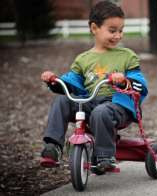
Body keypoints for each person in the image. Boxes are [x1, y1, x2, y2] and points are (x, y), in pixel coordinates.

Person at [40, 0, 148, 173]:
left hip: (118, 105)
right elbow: (71, 83)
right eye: (112, 31)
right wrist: (54, 81)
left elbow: (139, 81)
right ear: (94, 28)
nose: (118, 35)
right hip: (90, 102)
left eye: (121, 31)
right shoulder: (83, 59)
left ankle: (105, 156)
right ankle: (53, 146)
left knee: (102, 111)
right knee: (62, 100)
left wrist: (124, 80)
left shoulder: (127, 56)